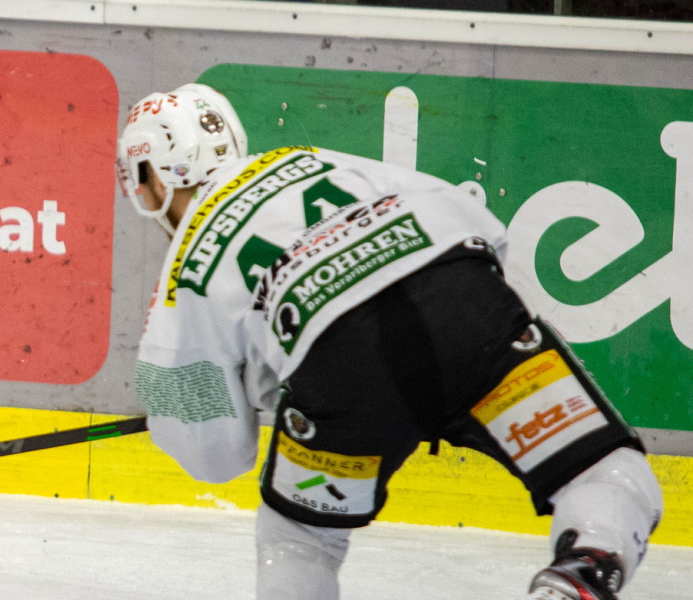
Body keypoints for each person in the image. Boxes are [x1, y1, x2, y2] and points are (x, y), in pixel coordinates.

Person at [118, 83, 663, 600]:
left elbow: (213, 456)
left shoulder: (186, 266)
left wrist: (243, 394)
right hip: (467, 305)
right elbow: (475, 222)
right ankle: (584, 568)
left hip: (343, 370)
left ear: (156, 175)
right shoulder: (311, 158)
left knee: (299, 539)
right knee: (607, 468)